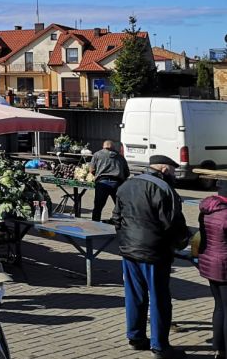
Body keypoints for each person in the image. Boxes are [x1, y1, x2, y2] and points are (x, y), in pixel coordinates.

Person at [114, 155, 190, 358]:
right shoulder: (164, 189)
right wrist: (182, 243)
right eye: (173, 171)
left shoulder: (126, 185)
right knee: (159, 299)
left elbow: (116, 218)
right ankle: (160, 346)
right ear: (165, 169)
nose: (174, 175)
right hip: (154, 253)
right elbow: (172, 224)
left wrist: (125, 240)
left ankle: (136, 338)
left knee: (134, 295)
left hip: (129, 251)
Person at [199, 182, 227, 359]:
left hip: (210, 263)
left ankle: (219, 348)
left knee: (219, 307)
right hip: (224, 265)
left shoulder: (207, 209)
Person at [89, 140, 130, 222]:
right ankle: (121, 225)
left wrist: (97, 175)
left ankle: (94, 225)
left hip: (102, 183)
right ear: (113, 147)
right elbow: (127, 173)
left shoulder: (97, 154)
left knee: (98, 207)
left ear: (103, 146)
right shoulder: (120, 157)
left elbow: (91, 169)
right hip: (117, 184)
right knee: (120, 207)